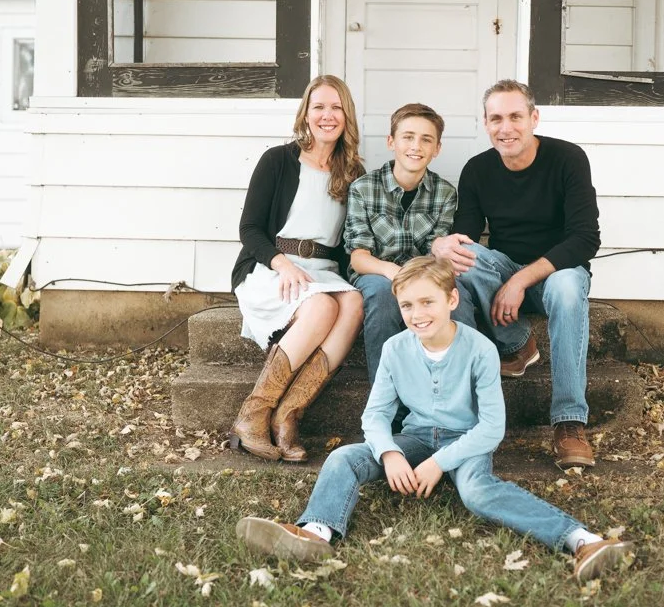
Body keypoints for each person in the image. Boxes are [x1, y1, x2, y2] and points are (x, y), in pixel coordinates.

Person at [235, 256, 634, 584]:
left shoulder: (479, 349)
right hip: (416, 438)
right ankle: (315, 531)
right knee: (343, 459)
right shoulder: (395, 349)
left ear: (452, 301)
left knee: (476, 493)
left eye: (427, 302)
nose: (417, 314)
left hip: (466, 441)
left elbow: (491, 429)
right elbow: (375, 415)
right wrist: (390, 453)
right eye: (407, 305)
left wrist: (439, 463)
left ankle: (582, 540)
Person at [431, 79, 601, 469]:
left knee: (569, 288)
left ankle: (569, 423)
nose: (505, 128)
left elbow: (585, 238)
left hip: (558, 273)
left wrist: (521, 281)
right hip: (504, 268)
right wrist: (441, 246)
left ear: (534, 118)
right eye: (495, 119)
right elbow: (467, 239)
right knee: (458, 260)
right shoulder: (477, 170)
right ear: (486, 123)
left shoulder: (567, 158)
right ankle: (514, 348)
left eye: (515, 117)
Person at [230, 75, 367, 462]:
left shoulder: (353, 172)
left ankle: (288, 415)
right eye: (319, 106)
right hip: (271, 267)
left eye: (336, 107)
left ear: (347, 116)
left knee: (354, 303)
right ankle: (253, 414)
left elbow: (348, 244)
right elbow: (250, 230)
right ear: (306, 114)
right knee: (322, 306)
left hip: (324, 271)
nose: (327, 115)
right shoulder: (278, 160)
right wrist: (283, 264)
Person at [343, 102, 476, 383]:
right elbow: (358, 257)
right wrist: (392, 271)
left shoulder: (444, 193)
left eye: (426, 139)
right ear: (391, 142)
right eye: (408, 137)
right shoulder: (363, 188)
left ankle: (454, 390)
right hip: (376, 274)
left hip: (425, 273)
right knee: (382, 295)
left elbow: (437, 252)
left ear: (437, 148)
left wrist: (417, 279)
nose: (416, 146)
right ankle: (386, 401)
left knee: (457, 299)